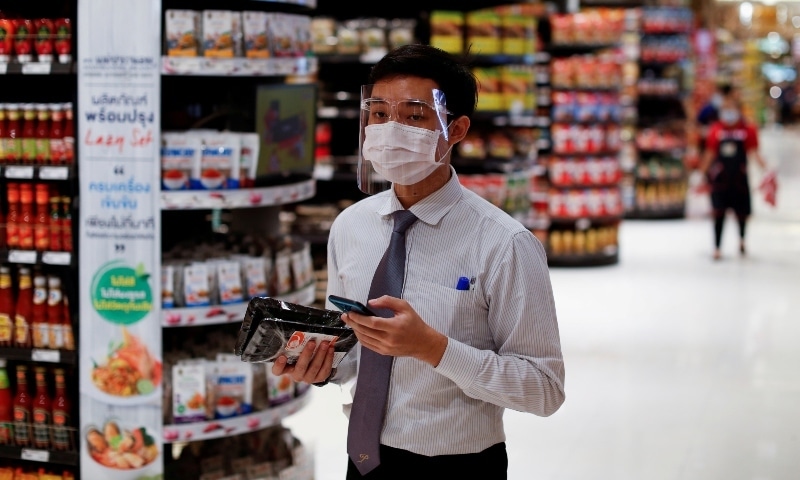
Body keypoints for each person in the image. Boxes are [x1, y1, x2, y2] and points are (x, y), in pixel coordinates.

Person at [271, 44, 566, 479]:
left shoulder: (505, 244)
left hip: (458, 466)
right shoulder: (350, 227)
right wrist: (319, 364)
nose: (391, 130)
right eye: (378, 114)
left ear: (457, 129)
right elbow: (356, 352)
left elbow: (544, 390)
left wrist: (432, 347)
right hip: (364, 459)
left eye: (414, 116)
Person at [699, 93, 768, 260]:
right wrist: (701, 173)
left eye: (732, 109)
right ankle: (717, 247)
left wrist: (766, 170)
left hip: (739, 177)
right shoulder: (716, 130)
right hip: (720, 178)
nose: (729, 113)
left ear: (738, 110)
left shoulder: (747, 130)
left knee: (742, 212)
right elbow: (709, 153)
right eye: (725, 110)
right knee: (718, 212)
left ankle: (742, 240)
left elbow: (754, 152)